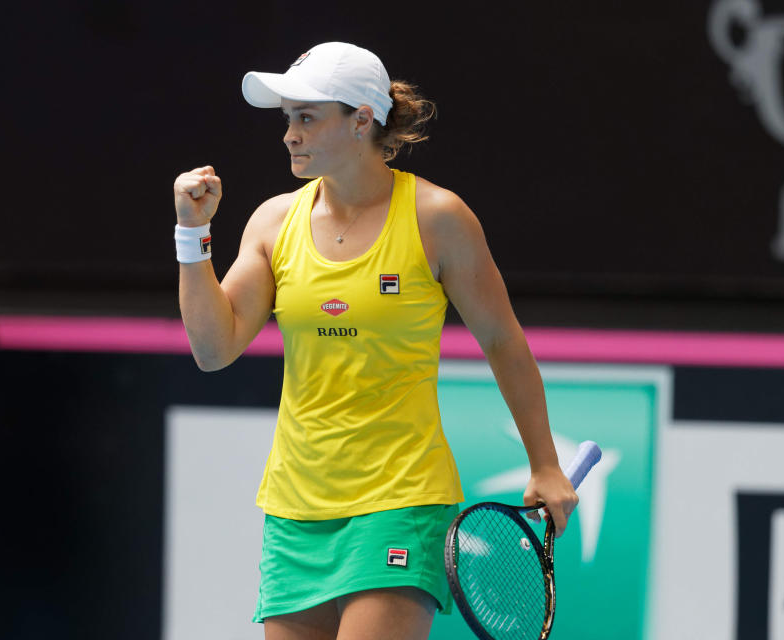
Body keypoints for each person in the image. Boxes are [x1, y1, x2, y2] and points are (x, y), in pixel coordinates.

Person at [172, 42, 579, 640]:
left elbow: (503, 341)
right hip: (295, 508)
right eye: (287, 118)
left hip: (400, 499)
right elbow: (213, 349)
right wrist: (193, 234)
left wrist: (545, 463)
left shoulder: (438, 218)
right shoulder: (273, 222)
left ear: (362, 119)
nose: (289, 134)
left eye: (307, 117)